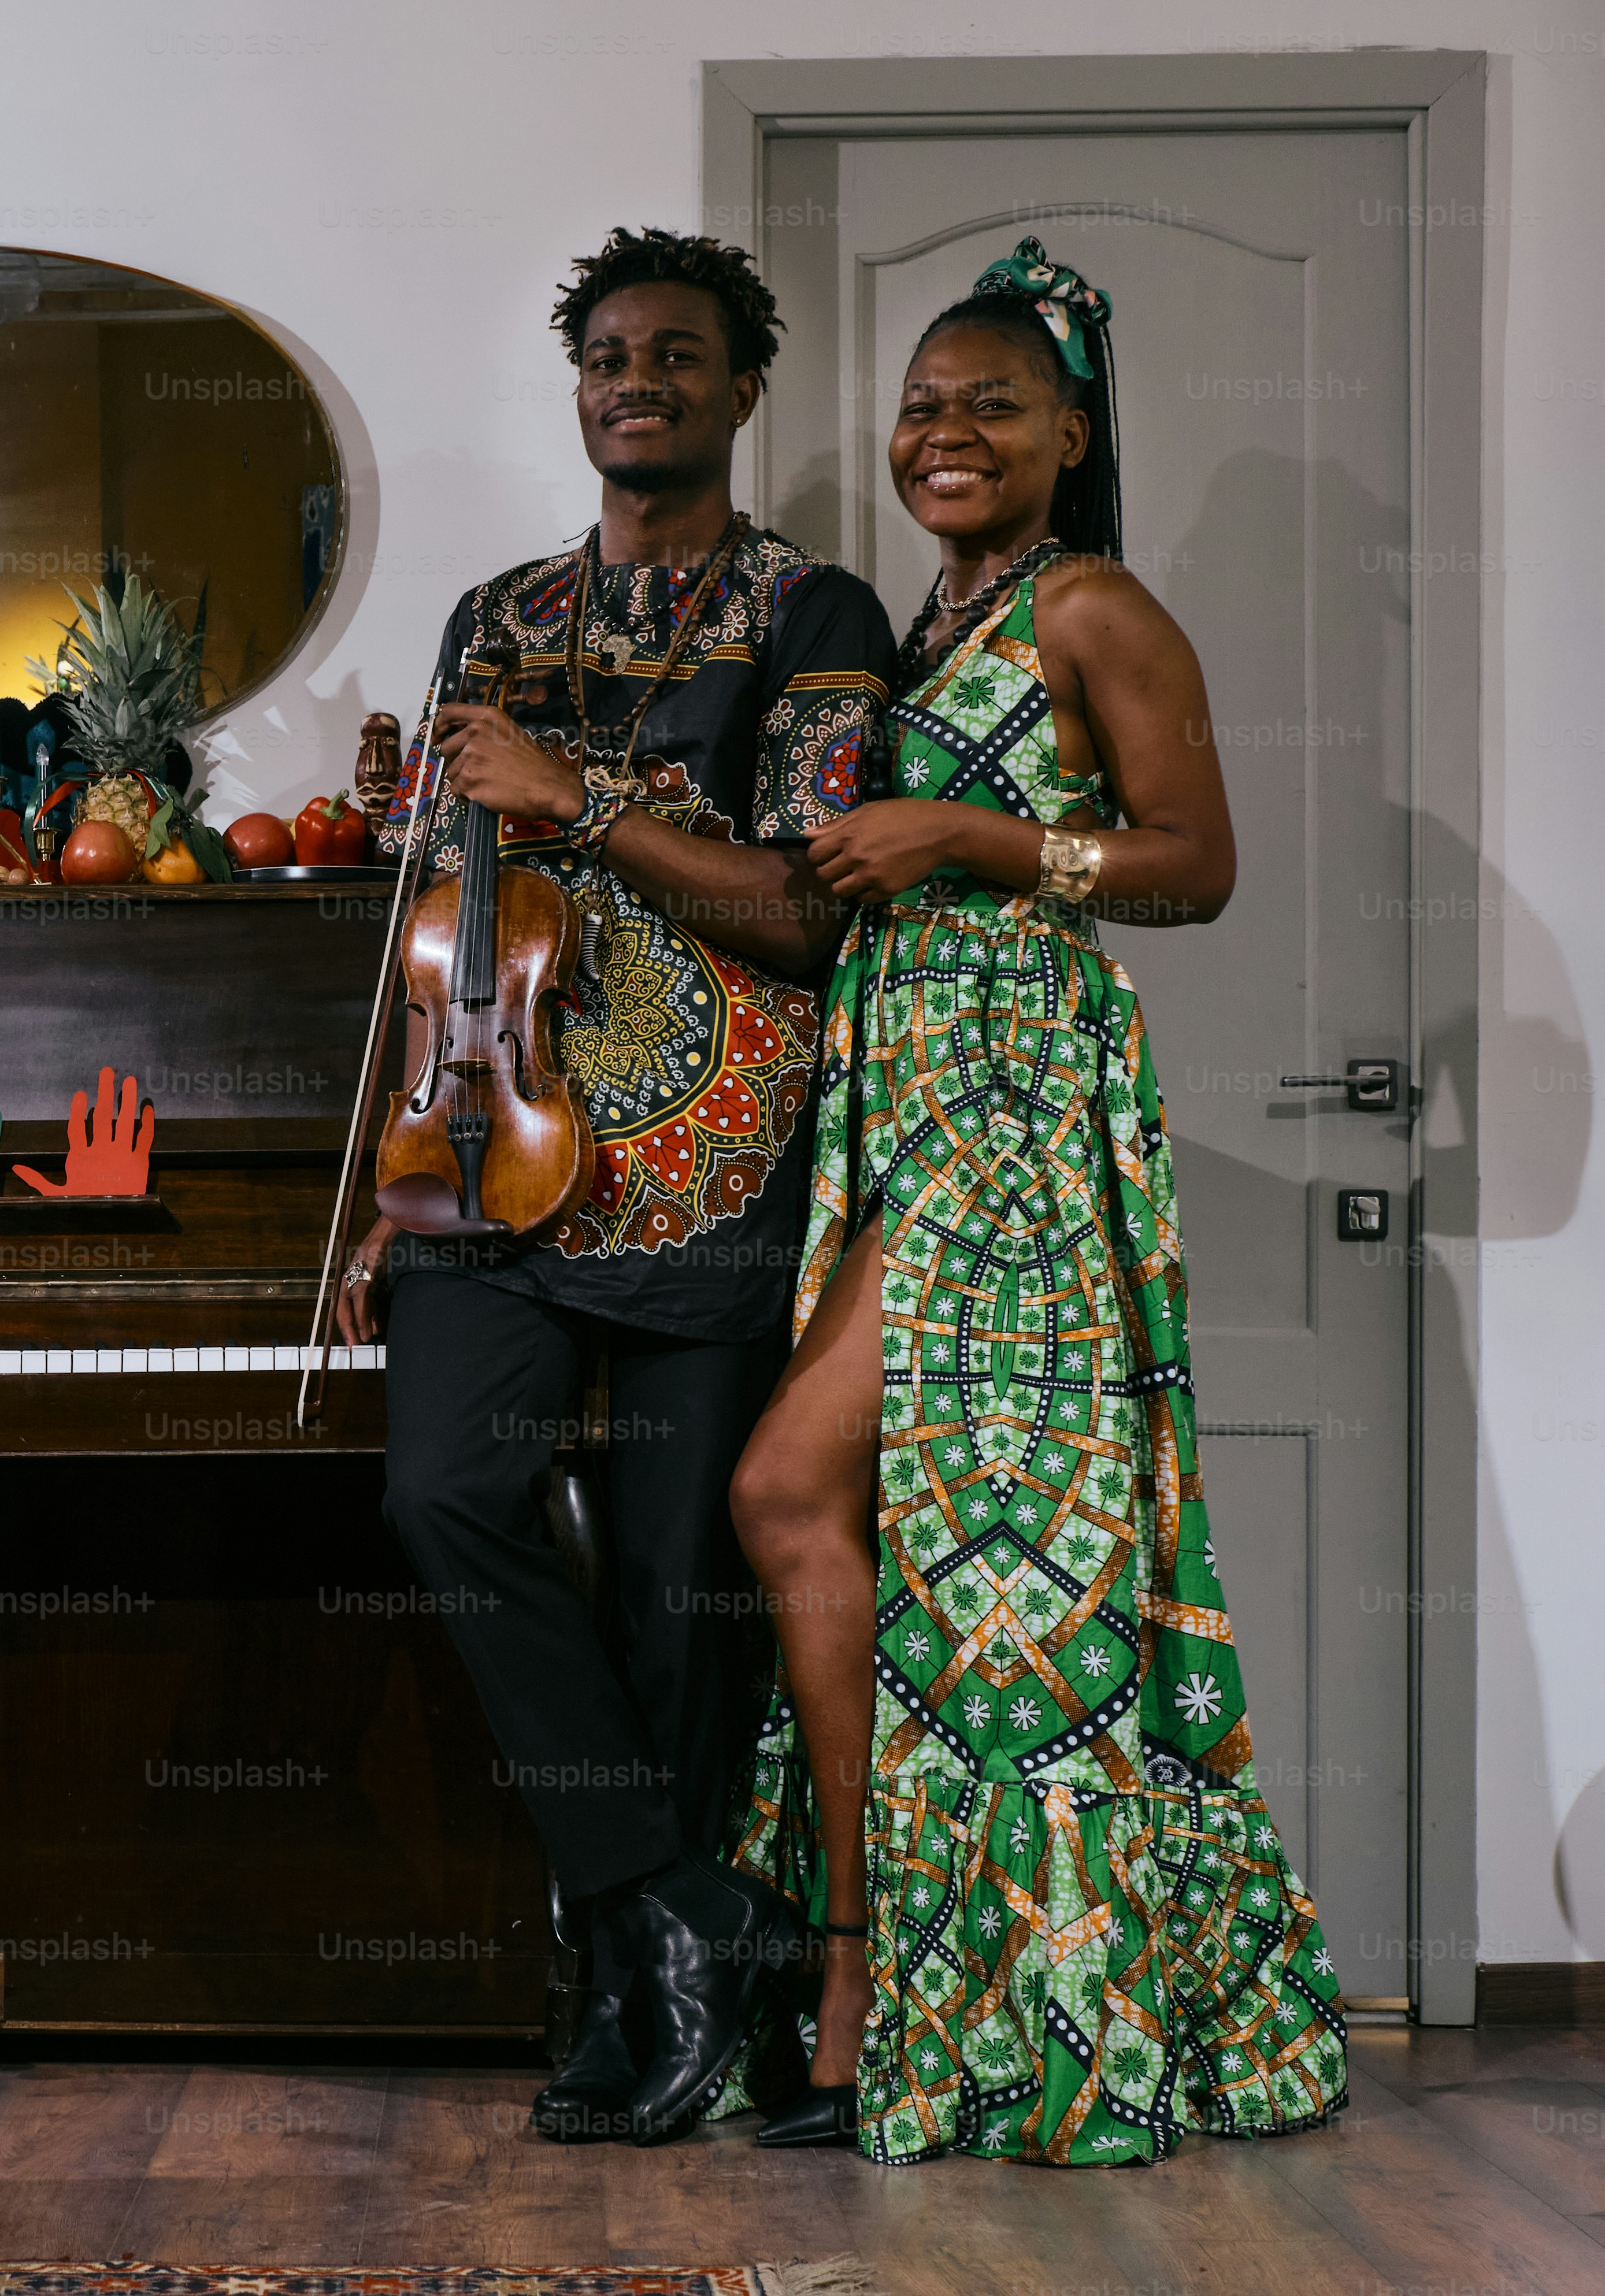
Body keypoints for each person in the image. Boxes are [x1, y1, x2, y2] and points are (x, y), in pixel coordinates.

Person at [723, 240, 1347, 2161]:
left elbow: (1202, 864)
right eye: (920, 404)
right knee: (909, 1539)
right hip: (902, 1102)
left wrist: (975, 836)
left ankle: (905, 1994)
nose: (945, 433)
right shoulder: (920, 626)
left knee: (864, 1516)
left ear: (1073, 434)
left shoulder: (1096, 608)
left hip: (1016, 1106)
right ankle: (879, 1978)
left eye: (994, 403)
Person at [335, 227, 895, 2146]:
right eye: (607, 356)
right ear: (576, 390)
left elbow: (815, 919)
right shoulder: (492, 619)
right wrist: (375, 1192)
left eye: (677, 355)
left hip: (719, 1172)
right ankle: (680, 1914)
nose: (634, 381)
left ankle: (635, 2007)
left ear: (743, 393)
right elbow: (439, 930)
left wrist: (583, 804)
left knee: (676, 1605)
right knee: (447, 1490)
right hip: (492, 1152)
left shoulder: (818, 620)